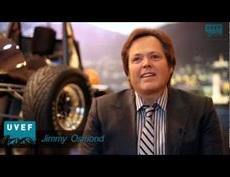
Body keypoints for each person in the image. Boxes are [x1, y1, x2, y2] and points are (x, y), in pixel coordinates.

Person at [79, 28, 224, 155]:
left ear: (171, 66)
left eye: (155, 56)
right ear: (127, 72)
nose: (146, 64)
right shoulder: (101, 111)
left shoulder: (201, 110)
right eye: (137, 59)